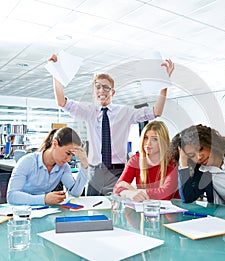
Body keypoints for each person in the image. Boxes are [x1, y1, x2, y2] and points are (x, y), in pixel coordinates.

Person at [48, 54, 174, 196]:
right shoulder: (89, 111)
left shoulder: (125, 112)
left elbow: (156, 111)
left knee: (116, 210)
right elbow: (61, 102)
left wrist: (164, 86)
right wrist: (56, 73)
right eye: (98, 87)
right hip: (95, 172)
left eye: (106, 88)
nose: (101, 91)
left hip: (117, 173)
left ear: (113, 92)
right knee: (92, 210)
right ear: (94, 91)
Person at [7, 127, 88, 205]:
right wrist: (44, 199)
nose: (69, 160)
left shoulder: (64, 167)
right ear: (55, 144)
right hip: (23, 212)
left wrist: (84, 165)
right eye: (68, 153)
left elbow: (75, 193)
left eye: (72, 155)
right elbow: (11, 196)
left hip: (44, 211)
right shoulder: (27, 162)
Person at [113, 120, 180, 202]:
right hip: (146, 208)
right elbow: (117, 188)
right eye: (145, 138)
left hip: (172, 210)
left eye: (154, 139)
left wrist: (135, 191)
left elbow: (166, 194)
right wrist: (130, 193)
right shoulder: (136, 160)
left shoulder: (172, 162)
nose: (148, 143)